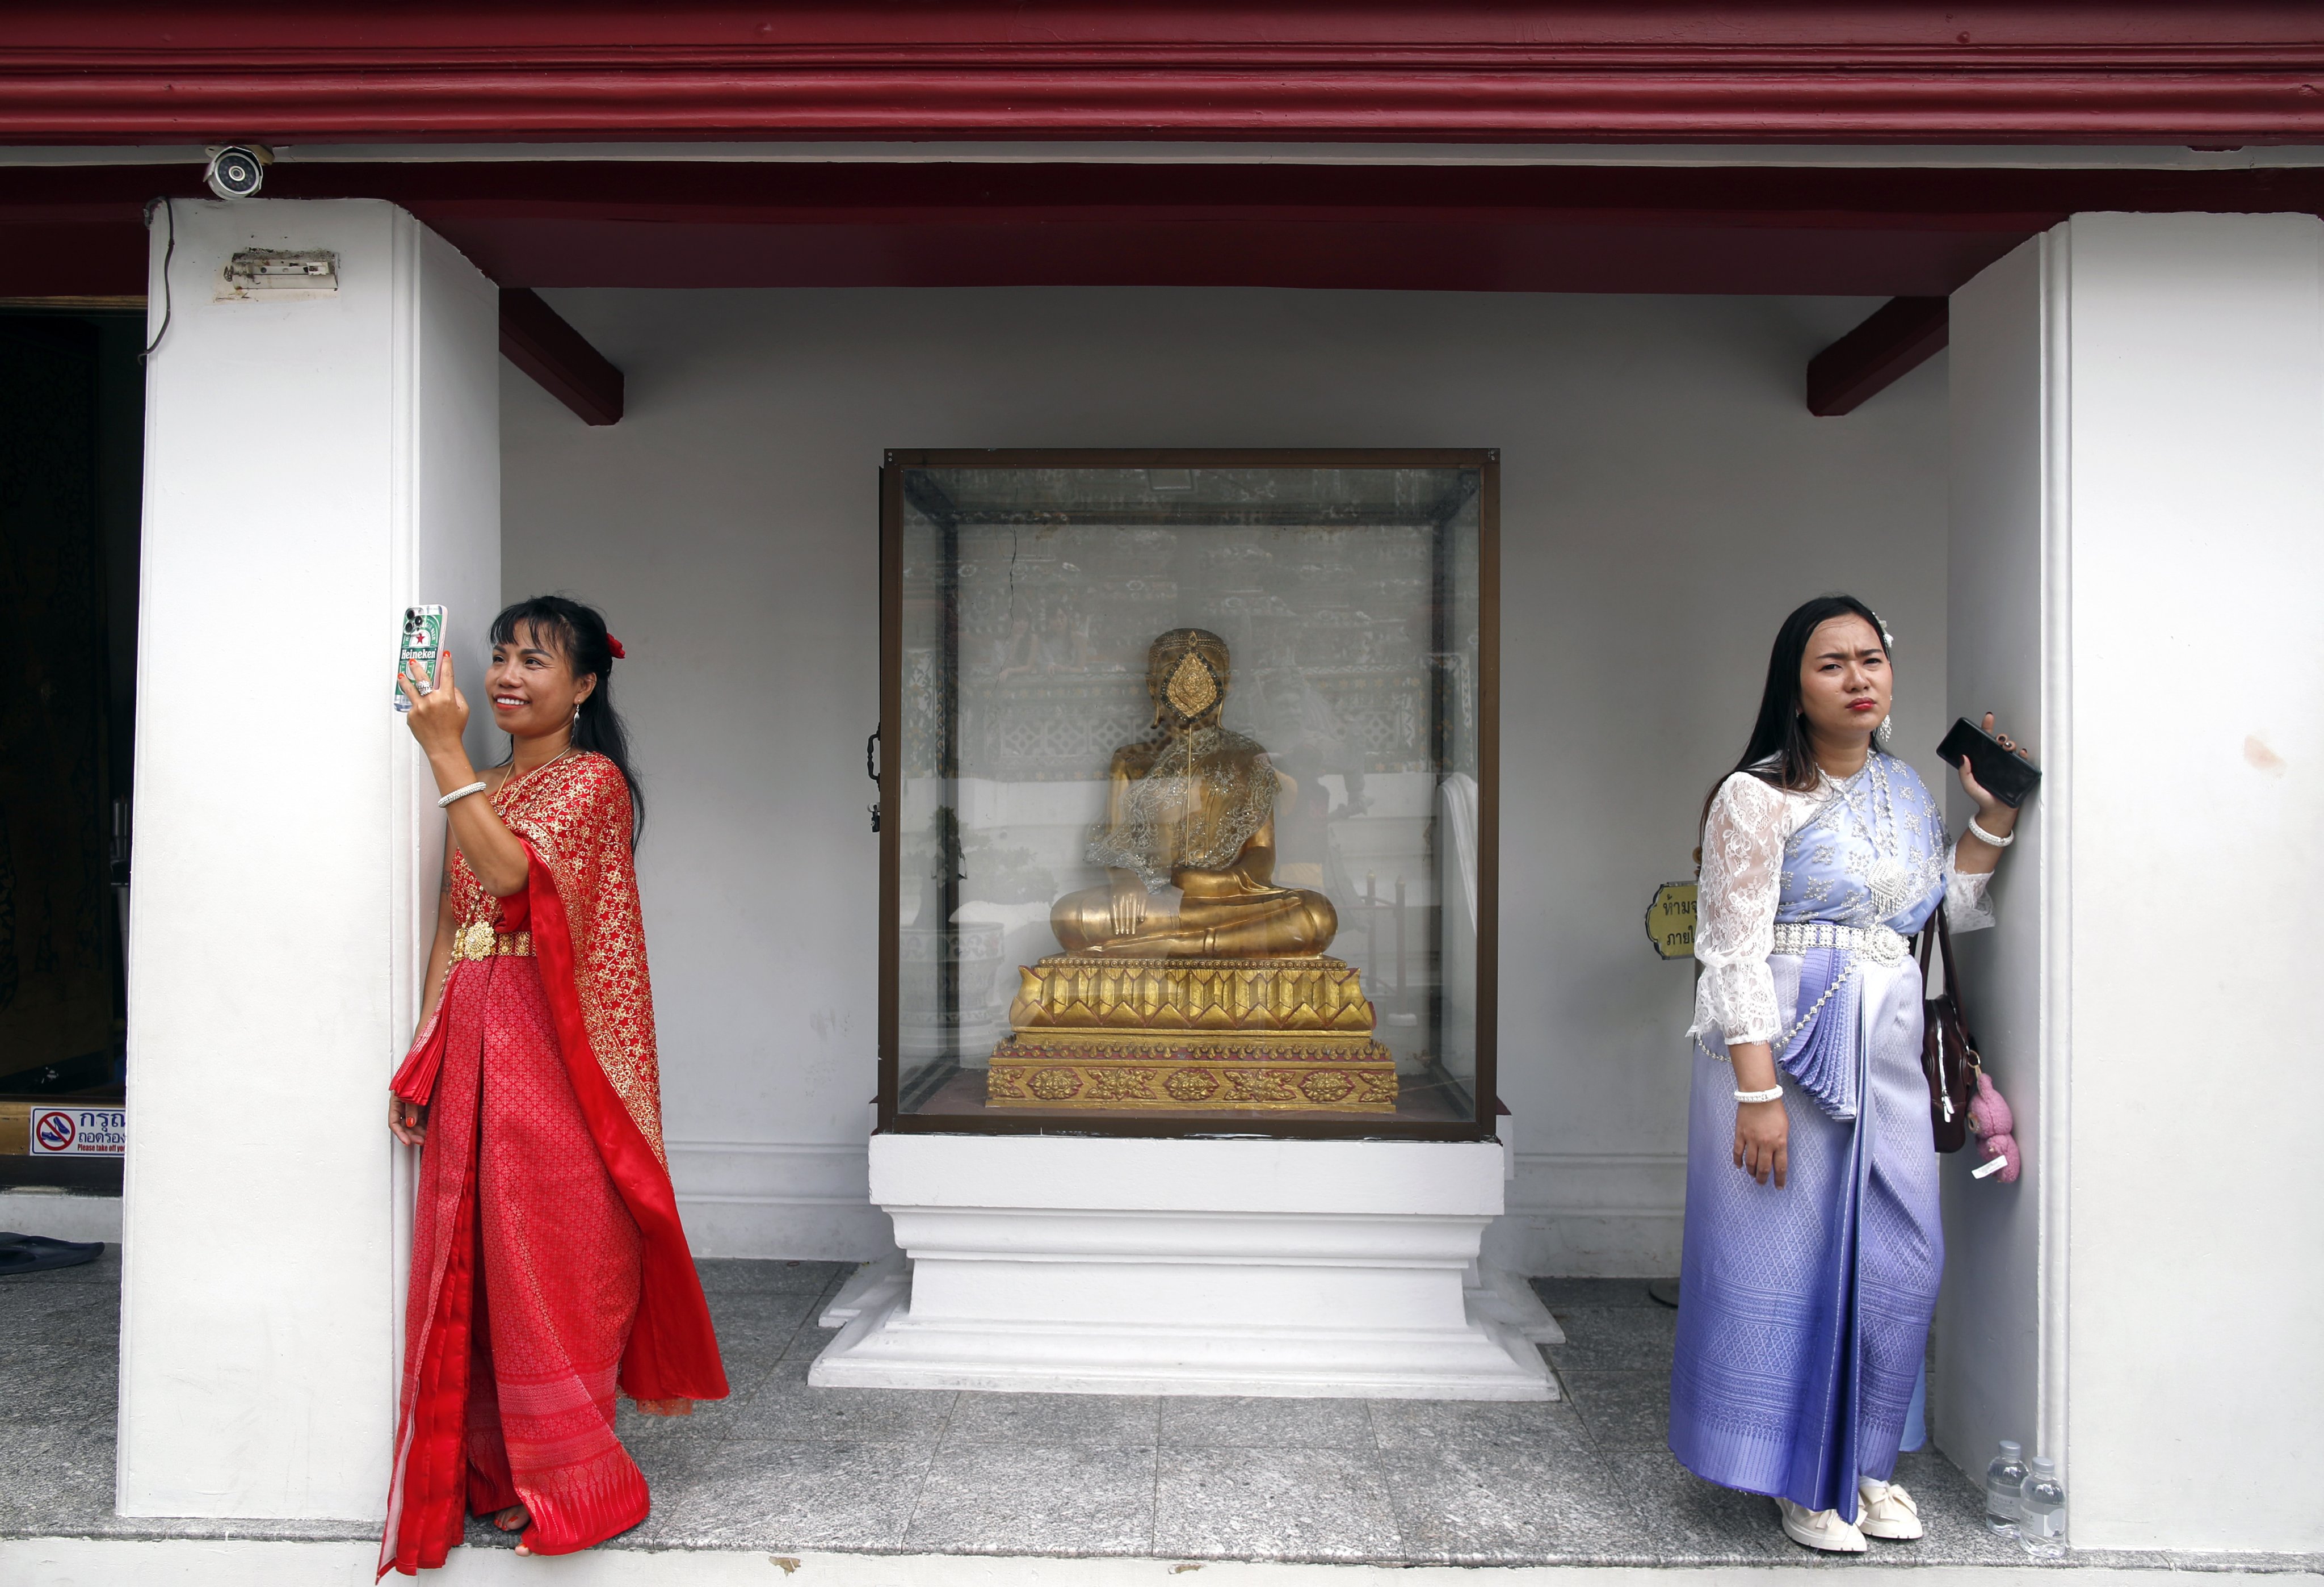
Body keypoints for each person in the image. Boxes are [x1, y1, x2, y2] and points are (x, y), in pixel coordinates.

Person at [1671, 594, 2027, 1554]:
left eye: (1872, 659)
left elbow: (1933, 907)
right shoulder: (1756, 794)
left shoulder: (1908, 789)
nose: (1859, 679)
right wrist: (1757, 1092)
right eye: (1833, 664)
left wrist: (1992, 817)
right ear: (1795, 682)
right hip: (1781, 1050)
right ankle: (1802, 1477)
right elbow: (1732, 949)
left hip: (1890, 1044)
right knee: (1787, 1262)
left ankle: (1867, 1462)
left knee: (1905, 1257)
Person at [380, 597, 726, 1575]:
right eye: (498, 657)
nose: (507, 676)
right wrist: (423, 1052)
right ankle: (496, 1477)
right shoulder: (484, 782)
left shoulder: (592, 783)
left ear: (583, 686)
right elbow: (456, 924)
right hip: (476, 1031)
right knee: (477, 1254)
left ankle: (582, 1482)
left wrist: (440, 752)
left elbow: (502, 877)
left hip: (553, 1050)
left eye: (535, 660)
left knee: (550, 1252)